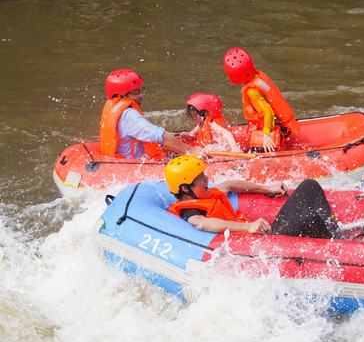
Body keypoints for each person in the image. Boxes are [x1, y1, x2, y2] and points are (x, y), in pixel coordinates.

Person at [165, 155, 341, 239]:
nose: (207, 179)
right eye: (201, 178)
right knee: (308, 218)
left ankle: (335, 233)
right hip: (265, 241)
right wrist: (247, 227)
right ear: (186, 188)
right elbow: (202, 223)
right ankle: (335, 244)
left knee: (310, 185)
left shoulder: (207, 194)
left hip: (266, 232)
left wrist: (266, 188)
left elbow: (228, 185)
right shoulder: (189, 209)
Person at [100, 69, 202, 159]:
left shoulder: (113, 107)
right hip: (137, 162)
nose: (141, 95)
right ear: (120, 95)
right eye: (136, 92)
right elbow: (161, 136)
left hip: (121, 156)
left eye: (141, 90)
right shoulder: (129, 115)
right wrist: (190, 150)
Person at [223, 48, 300, 153]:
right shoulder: (258, 77)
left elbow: (268, 112)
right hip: (284, 124)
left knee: (252, 151)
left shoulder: (252, 92)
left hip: (281, 129)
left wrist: (266, 134)